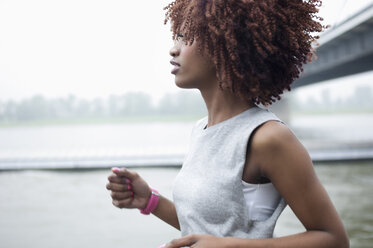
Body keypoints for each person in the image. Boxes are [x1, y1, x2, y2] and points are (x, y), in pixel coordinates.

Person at [106, 0, 349, 247]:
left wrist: (230, 246)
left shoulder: (267, 137)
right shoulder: (201, 130)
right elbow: (208, 228)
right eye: (175, 38)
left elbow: (334, 239)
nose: (172, 49)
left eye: (185, 37)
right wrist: (150, 200)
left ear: (226, 43)